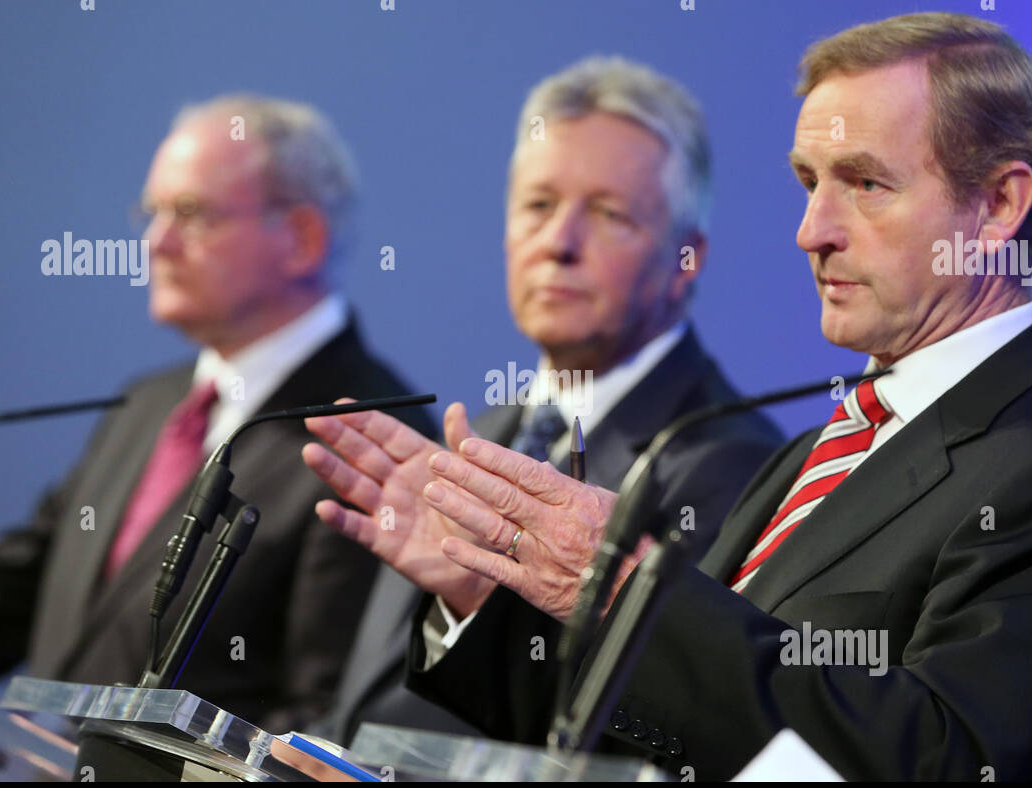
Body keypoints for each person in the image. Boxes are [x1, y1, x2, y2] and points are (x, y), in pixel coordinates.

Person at [321, 14, 1032, 780]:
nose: (813, 230)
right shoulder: (809, 455)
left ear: (998, 205)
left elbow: (942, 763)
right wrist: (484, 597)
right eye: (809, 182)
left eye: (865, 184)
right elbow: (654, 735)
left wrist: (623, 589)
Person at [303, 57, 785, 746]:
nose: (559, 243)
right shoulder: (488, 431)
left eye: (609, 214)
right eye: (538, 205)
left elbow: (657, 740)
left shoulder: (729, 465)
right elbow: (369, 712)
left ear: (687, 257)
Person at [0, 95, 434, 733]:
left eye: (191, 213)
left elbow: (325, 720)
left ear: (302, 239)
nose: (157, 242)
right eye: (153, 212)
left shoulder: (369, 438)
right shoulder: (145, 405)